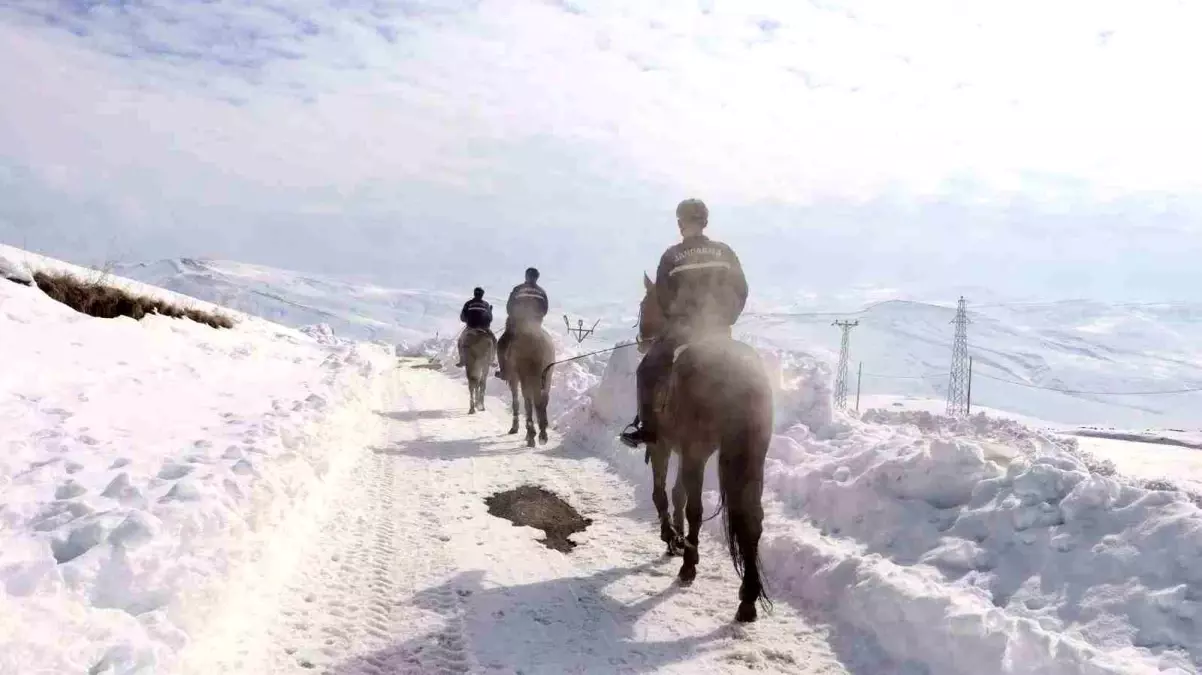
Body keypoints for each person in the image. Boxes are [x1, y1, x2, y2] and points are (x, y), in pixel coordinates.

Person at [619, 198, 748, 448]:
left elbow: (664, 296)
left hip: (684, 332)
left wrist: (677, 320)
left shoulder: (672, 255)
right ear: (705, 222)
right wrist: (726, 319)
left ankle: (645, 428)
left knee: (646, 370)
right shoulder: (725, 251)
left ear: (681, 224)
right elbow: (741, 289)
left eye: (682, 221)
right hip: (719, 331)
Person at [495, 267, 549, 380]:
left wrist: (516, 317)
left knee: (500, 345)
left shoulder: (518, 289)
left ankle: (504, 372)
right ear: (537, 278)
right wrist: (536, 318)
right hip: (535, 327)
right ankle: (544, 374)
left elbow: (509, 308)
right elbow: (545, 310)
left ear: (526, 276)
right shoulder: (542, 292)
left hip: (517, 326)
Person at [455, 287, 495, 368]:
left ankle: (462, 361)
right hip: (484, 329)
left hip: (470, 328)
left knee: (460, 341)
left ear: (474, 294)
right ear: (482, 295)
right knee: (494, 341)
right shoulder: (486, 304)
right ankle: (491, 360)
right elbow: (490, 319)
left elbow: (462, 318)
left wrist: (468, 320)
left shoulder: (468, 303)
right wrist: (490, 311)